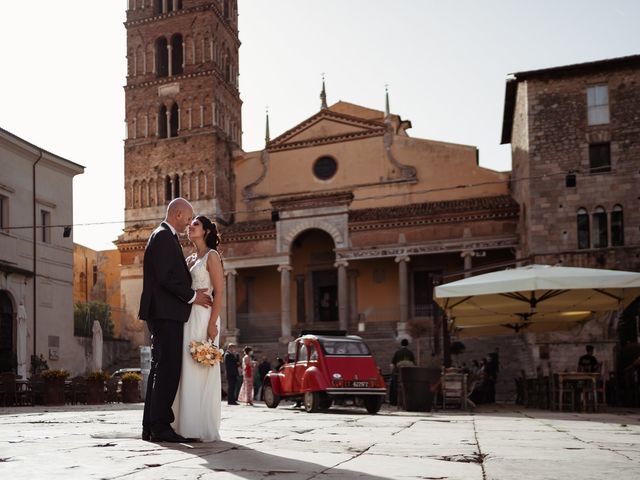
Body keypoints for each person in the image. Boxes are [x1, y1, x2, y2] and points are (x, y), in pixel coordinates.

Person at [139, 198, 213, 443]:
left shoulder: (164, 236)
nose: (189, 224)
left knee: (161, 368)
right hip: (165, 313)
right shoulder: (162, 236)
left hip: (164, 312)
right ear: (178, 214)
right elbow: (165, 278)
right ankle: (160, 426)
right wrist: (193, 296)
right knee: (168, 369)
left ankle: (151, 426)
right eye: (188, 218)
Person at [171, 214, 224, 442]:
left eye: (196, 224)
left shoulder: (212, 256)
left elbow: (219, 291)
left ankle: (198, 426)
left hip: (205, 317)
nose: (190, 227)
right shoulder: (190, 258)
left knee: (201, 366)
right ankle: (183, 425)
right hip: (188, 316)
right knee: (186, 367)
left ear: (206, 231)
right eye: (190, 224)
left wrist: (212, 323)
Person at [389, 339, 416, 406]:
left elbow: (392, 364)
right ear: (407, 344)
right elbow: (414, 364)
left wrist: (392, 372)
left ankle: (394, 401)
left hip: (398, 375)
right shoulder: (410, 353)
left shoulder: (397, 352)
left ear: (401, 344)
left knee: (393, 383)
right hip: (408, 376)